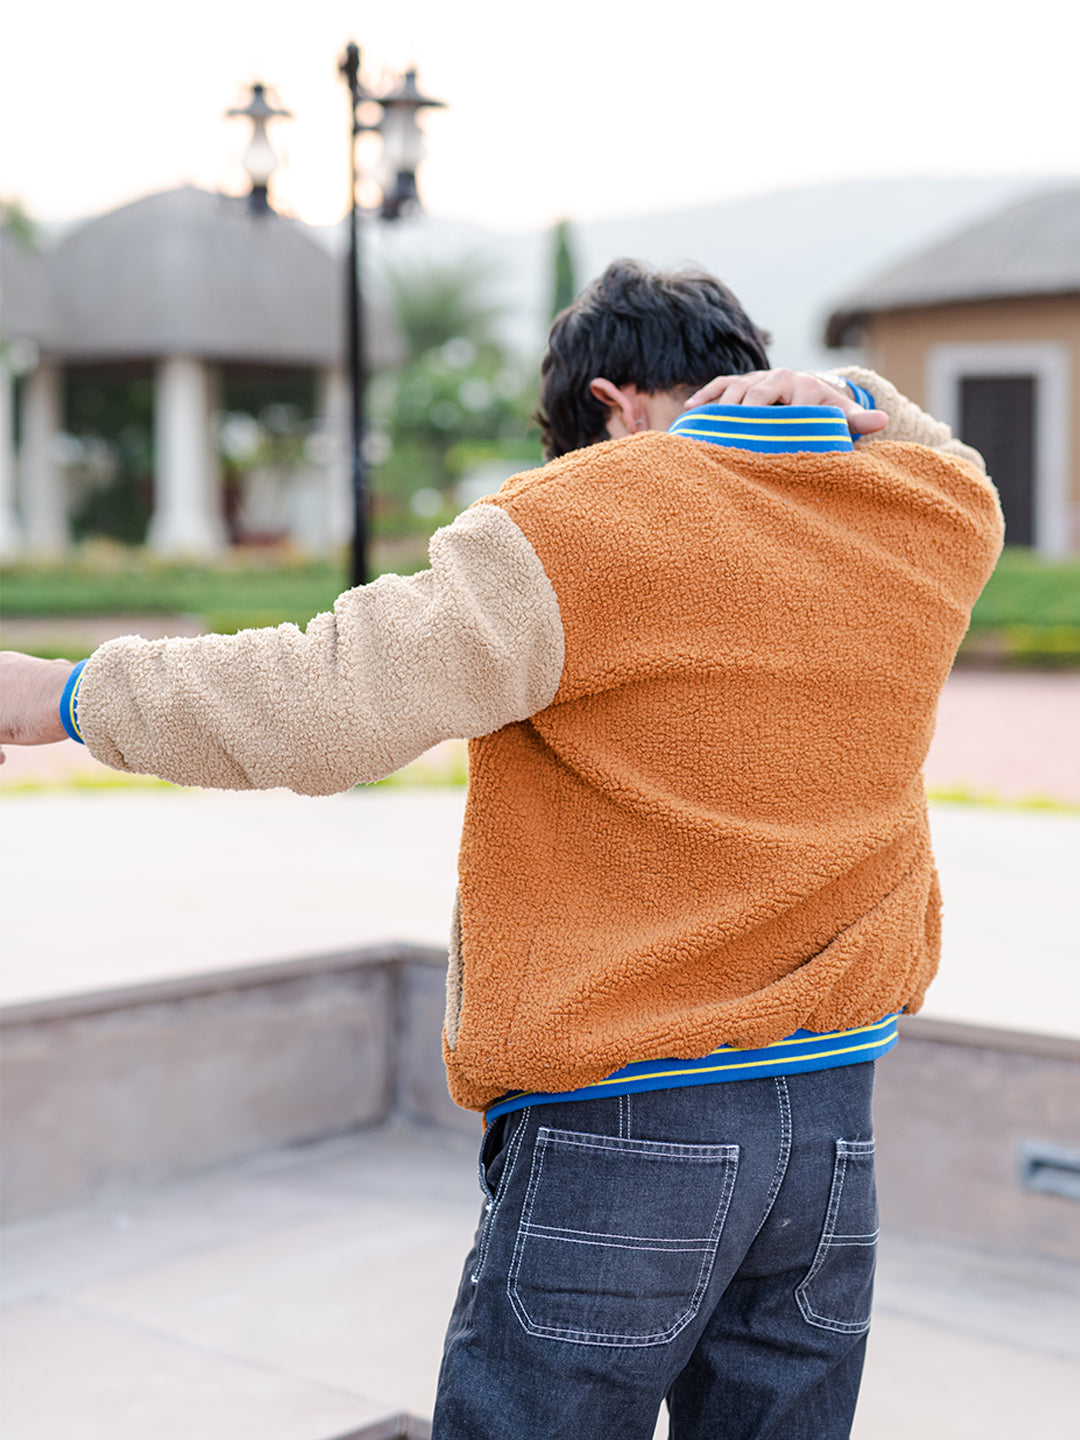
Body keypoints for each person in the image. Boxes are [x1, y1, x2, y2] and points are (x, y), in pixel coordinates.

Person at [0, 260, 1002, 1439]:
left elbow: (327, 698)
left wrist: (65, 693)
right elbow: (947, 453)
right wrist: (838, 391)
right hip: (833, 1125)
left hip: (626, 1121)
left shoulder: (585, 522)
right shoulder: (928, 517)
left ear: (616, 406)